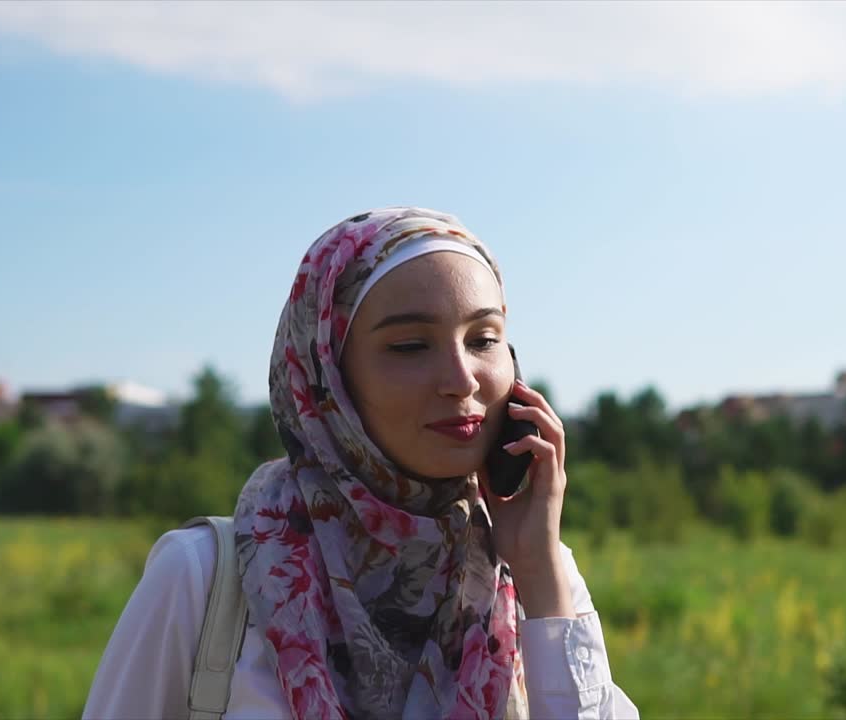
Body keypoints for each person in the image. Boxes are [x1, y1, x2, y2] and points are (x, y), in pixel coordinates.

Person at [83, 207, 639, 719]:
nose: (462, 379)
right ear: (328, 377)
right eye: (409, 347)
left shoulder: (539, 580)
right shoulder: (202, 576)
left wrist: (540, 574)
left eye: (484, 339)